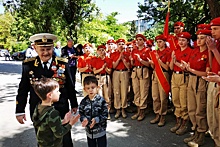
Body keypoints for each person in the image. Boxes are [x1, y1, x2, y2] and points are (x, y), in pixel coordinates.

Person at [15, 33, 78, 147]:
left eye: (48, 49)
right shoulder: (29, 65)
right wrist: (20, 110)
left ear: (53, 47)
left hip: (61, 109)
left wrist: (74, 104)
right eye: (42, 49)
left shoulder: (63, 64)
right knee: (44, 141)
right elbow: (23, 89)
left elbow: (70, 86)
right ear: (35, 48)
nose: (45, 53)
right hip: (39, 111)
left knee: (65, 139)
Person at [181, 29, 210, 146]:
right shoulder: (195, 51)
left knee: (200, 110)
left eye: (202, 38)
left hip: (201, 81)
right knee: (191, 108)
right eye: (198, 38)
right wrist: (185, 67)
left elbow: (206, 73)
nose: (199, 40)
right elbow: (188, 65)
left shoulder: (209, 53)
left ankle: (201, 134)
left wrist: (191, 70)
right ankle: (195, 131)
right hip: (191, 79)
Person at [32, 78, 80, 147]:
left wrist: (63, 121)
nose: (59, 93)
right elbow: (59, 133)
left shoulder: (38, 107)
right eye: (57, 91)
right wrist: (70, 124)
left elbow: (47, 124)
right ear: (50, 95)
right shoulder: (53, 113)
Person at [169, 32, 192, 135]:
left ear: (187, 41)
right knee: (176, 100)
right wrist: (173, 59)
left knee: (183, 101)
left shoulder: (190, 52)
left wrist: (176, 62)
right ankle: (178, 122)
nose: (181, 42)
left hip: (184, 76)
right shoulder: (176, 51)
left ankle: (184, 124)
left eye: (183, 40)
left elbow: (187, 69)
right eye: (179, 40)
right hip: (175, 75)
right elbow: (171, 67)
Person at [79, 76, 108, 147]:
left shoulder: (101, 101)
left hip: (100, 131)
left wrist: (97, 120)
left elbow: (105, 114)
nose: (90, 90)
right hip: (89, 132)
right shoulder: (84, 102)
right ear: (85, 89)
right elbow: (81, 113)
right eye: (88, 88)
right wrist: (84, 119)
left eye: (93, 87)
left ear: (97, 88)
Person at [149, 34, 171, 126]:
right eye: (157, 42)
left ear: (164, 42)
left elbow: (167, 67)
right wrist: (152, 63)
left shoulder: (168, 52)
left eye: (160, 42)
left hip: (163, 74)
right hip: (155, 74)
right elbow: (153, 66)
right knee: (155, 96)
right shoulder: (155, 52)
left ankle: (163, 115)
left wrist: (159, 61)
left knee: (163, 97)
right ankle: (157, 113)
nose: (159, 43)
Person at [205, 17, 220, 147]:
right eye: (211, 29)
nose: (212, 32)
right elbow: (212, 63)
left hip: (219, 83)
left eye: (215, 29)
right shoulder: (217, 43)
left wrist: (214, 49)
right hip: (213, 81)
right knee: (212, 116)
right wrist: (211, 50)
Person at [130, 34, 151, 121]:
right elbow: (132, 64)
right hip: (135, 71)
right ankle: (138, 110)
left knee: (143, 91)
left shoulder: (147, 50)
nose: (138, 41)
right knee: (136, 91)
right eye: (137, 40)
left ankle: (142, 111)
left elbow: (149, 64)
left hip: (144, 70)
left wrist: (140, 60)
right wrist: (132, 61)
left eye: (140, 40)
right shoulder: (134, 51)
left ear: (143, 41)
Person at [111, 38, 130, 119]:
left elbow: (128, 66)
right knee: (116, 91)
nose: (121, 46)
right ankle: (117, 109)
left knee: (124, 91)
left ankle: (123, 109)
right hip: (116, 72)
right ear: (117, 45)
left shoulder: (128, 54)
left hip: (124, 72)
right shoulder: (113, 54)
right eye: (119, 44)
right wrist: (119, 58)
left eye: (122, 44)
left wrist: (123, 59)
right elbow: (114, 66)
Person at [93, 45, 112, 119]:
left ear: (105, 51)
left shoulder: (108, 60)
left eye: (103, 50)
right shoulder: (95, 60)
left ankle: (107, 112)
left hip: (106, 77)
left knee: (107, 96)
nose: (101, 52)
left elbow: (110, 71)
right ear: (97, 51)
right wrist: (102, 68)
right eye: (99, 50)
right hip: (98, 78)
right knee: (99, 96)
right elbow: (94, 71)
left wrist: (105, 68)